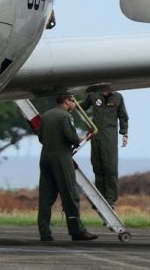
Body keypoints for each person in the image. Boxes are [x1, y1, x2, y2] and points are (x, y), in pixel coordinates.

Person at [37, 94, 97, 242]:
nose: (74, 104)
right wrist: (79, 140)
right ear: (66, 101)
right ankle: (76, 231)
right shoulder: (65, 116)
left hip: (45, 156)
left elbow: (41, 138)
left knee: (46, 197)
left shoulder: (45, 116)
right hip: (61, 157)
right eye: (72, 101)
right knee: (71, 195)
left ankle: (44, 233)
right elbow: (70, 137)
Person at [80, 83, 128, 207]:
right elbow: (83, 106)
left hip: (110, 137)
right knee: (97, 166)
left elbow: (123, 117)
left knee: (110, 167)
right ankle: (100, 199)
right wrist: (72, 102)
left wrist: (124, 134)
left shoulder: (118, 97)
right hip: (95, 135)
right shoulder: (94, 95)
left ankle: (110, 199)